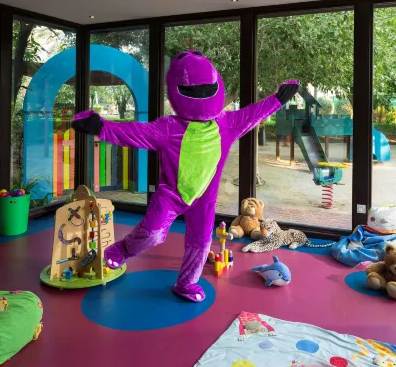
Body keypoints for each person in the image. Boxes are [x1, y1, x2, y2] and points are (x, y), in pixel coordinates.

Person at [72, 50, 298, 302]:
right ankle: (121, 250)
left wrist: (278, 99)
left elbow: (255, 112)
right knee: (153, 233)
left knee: (201, 244)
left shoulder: (227, 124)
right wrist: (101, 127)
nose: (202, 94)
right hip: (170, 195)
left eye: (207, 88)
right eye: (194, 90)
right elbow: (134, 132)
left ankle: (187, 284)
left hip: (205, 199)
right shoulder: (168, 128)